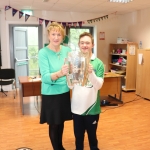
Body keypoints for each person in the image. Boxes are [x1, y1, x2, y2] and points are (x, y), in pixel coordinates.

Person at [38, 22, 72, 150]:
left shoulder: (67, 50)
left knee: (61, 121)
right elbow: (45, 78)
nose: (56, 37)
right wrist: (59, 73)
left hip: (63, 91)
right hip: (50, 94)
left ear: (62, 37)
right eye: (53, 34)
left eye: (59, 34)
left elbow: (72, 69)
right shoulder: (43, 53)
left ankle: (60, 146)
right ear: (48, 36)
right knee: (53, 124)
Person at [70, 32, 104, 150]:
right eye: (82, 43)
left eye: (87, 43)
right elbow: (70, 86)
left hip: (92, 109)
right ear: (79, 45)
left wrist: (91, 73)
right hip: (77, 108)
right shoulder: (74, 61)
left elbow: (99, 86)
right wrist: (67, 74)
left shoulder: (98, 63)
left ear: (92, 45)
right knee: (78, 138)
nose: (85, 45)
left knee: (92, 138)